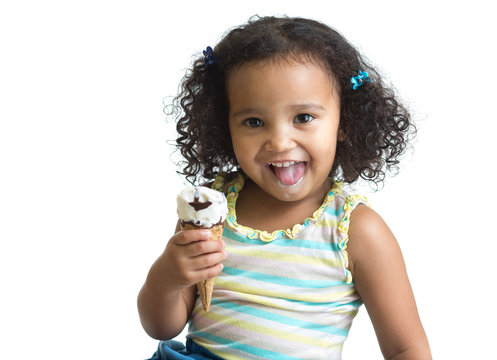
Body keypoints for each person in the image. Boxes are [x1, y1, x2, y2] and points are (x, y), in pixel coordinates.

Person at [138, 16, 431, 360]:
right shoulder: (210, 210)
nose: (278, 141)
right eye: (254, 122)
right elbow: (161, 326)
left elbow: (405, 348)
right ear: (224, 123)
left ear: (345, 122)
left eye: (303, 118)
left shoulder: (356, 230)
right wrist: (168, 276)